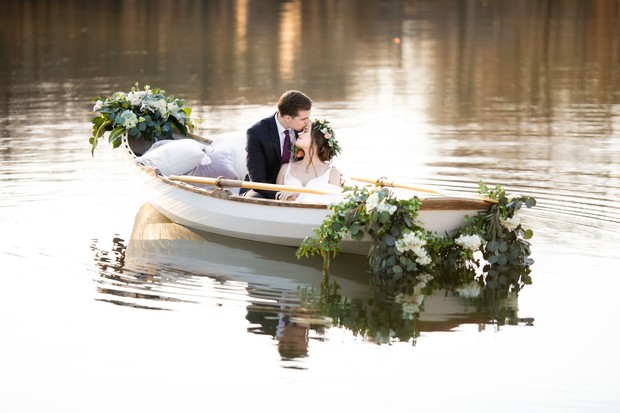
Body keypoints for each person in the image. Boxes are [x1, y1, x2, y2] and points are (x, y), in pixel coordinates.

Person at [242, 90, 312, 198]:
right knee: (255, 198)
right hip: (266, 188)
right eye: (303, 119)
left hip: (298, 185)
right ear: (288, 118)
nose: (308, 122)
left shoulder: (305, 130)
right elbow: (257, 181)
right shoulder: (256, 133)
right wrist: (283, 195)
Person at [275, 118, 343, 203]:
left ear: (315, 140)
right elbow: (275, 199)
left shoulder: (332, 173)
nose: (299, 133)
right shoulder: (285, 169)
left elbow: (334, 204)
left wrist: (297, 195)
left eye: (305, 131)